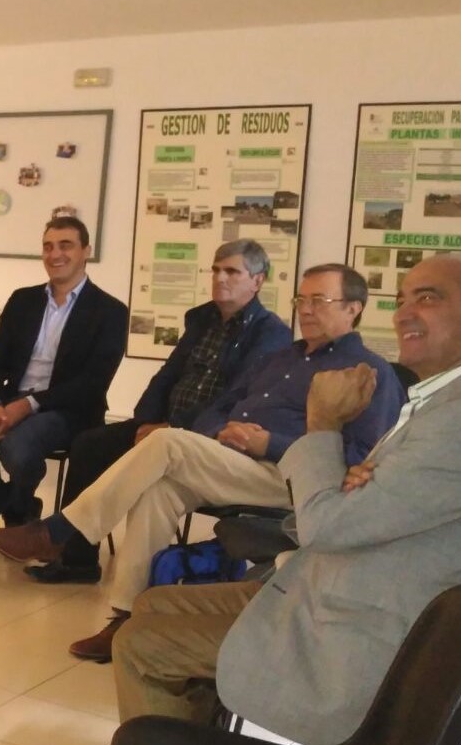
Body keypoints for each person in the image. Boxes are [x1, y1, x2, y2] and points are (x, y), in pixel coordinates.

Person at [113, 255, 461, 745]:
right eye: (402, 299)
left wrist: (322, 425)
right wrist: (347, 483)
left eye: (428, 298)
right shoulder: (458, 404)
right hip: (337, 583)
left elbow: (326, 525)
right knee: (151, 603)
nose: (404, 314)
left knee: (139, 643)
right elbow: (355, 502)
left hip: (352, 632)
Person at [0, 263, 405, 662]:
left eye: (320, 300)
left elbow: (359, 456)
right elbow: (219, 407)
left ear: (353, 308)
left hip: (294, 479)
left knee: (168, 442)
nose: (307, 309)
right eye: (302, 299)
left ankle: (60, 531)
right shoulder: (281, 358)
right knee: (159, 490)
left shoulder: (369, 372)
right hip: (232, 461)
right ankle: (128, 618)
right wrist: (218, 432)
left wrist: (271, 443)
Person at [31, 240, 291, 584]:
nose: (220, 278)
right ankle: (77, 560)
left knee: (152, 464)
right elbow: (168, 374)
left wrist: (171, 426)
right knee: (89, 445)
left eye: (232, 272)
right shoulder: (202, 320)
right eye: (215, 270)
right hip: (163, 425)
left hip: (209, 436)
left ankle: (61, 533)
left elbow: (233, 399)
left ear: (257, 281)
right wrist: (147, 420)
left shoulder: (270, 334)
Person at [0, 216, 127, 531]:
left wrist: (29, 405)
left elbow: (92, 383)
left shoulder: (110, 311)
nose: (55, 254)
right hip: (11, 398)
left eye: (65, 245)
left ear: (86, 251)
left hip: (69, 410)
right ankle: (15, 504)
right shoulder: (23, 300)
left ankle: (19, 515)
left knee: (18, 449)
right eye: (48, 247)